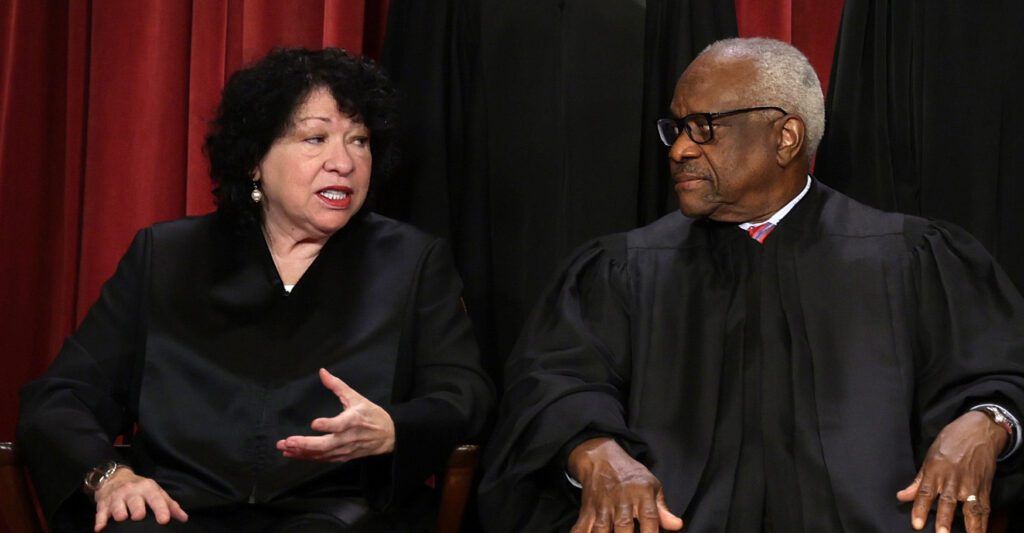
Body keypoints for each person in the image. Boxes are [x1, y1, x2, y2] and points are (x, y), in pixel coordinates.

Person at [478, 38, 1024, 533]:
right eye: (676, 128)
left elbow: (1001, 372)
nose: (678, 150)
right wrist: (595, 451)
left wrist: (988, 422)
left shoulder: (909, 259)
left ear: (785, 138)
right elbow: (553, 385)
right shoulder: (625, 269)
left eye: (703, 127)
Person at [17, 47, 493, 532]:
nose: (344, 162)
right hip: (177, 510)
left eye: (359, 140)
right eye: (315, 138)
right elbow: (62, 396)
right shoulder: (167, 256)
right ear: (254, 161)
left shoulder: (411, 262)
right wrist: (109, 476)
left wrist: (393, 429)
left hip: (339, 513)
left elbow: (464, 394)